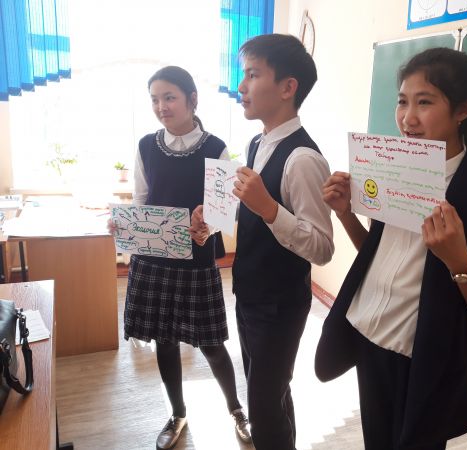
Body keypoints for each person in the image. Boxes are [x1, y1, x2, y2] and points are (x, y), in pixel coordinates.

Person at [315, 48, 467, 449]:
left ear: (462, 110)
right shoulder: (392, 168)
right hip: (369, 334)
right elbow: (378, 256)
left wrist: (457, 258)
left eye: (424, 102)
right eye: (402, 102)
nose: (408, 118)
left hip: (423, 355)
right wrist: (346, 214)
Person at [193, 34, 334, 450]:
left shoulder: (303, 159)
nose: (241, 86)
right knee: (270, 395)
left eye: (253, 75)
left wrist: (269, 208)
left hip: (279, 304)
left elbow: (322, 247)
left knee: (264, 408)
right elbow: (253, 210)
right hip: (250, 293)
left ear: (288, 87)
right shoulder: (257, 142)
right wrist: (212, 223)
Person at [121, 66, 251, 450]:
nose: (161, 107)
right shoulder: (146, 145)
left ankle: (236, 410)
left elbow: (225, 213)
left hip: (196, 261)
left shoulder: (216, 148)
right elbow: (140, 201)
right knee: (164, 341)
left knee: (211, 343)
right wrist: (127, 225)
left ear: (192, 99)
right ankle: (177, 414)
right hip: (154, 260)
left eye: (169, 97)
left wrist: (207, 226)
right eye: (155, 99)